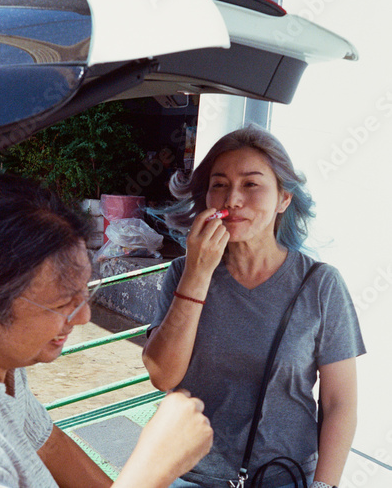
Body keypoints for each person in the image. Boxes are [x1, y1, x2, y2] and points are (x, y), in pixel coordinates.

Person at [0, 174, 213, 487]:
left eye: (86, 293)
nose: (84, 317)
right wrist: (154, 469)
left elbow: (50, 445)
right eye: (64, 302)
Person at [142, 125, 366, 488]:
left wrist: (325, 487)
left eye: (251, 184)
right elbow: (162, 375)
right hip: (187, 473)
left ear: (283, 199)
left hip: (285, 476)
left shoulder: (320, 285)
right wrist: (198, 273)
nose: (232, 199)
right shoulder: (182, 273)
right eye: (219, 185)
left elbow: (340, 403)